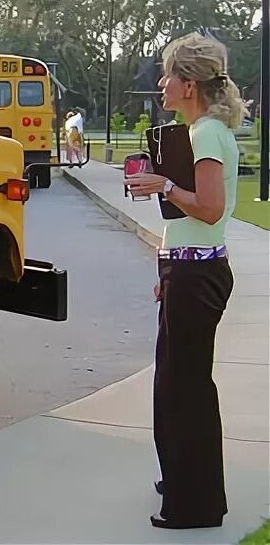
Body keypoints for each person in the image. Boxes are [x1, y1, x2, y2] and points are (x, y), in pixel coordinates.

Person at [124, 32, 243, 530]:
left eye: (169, 74)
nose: (161, 83)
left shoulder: (207, 134)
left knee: (186, 390)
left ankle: (195, 504)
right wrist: (168, 268)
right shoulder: (197, 131)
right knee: (173, 385)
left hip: (197, 274)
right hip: (186, 270)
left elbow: (211, 207)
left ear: (189, 85)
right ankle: (181, 478)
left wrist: (164, 184)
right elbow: (195, 218)